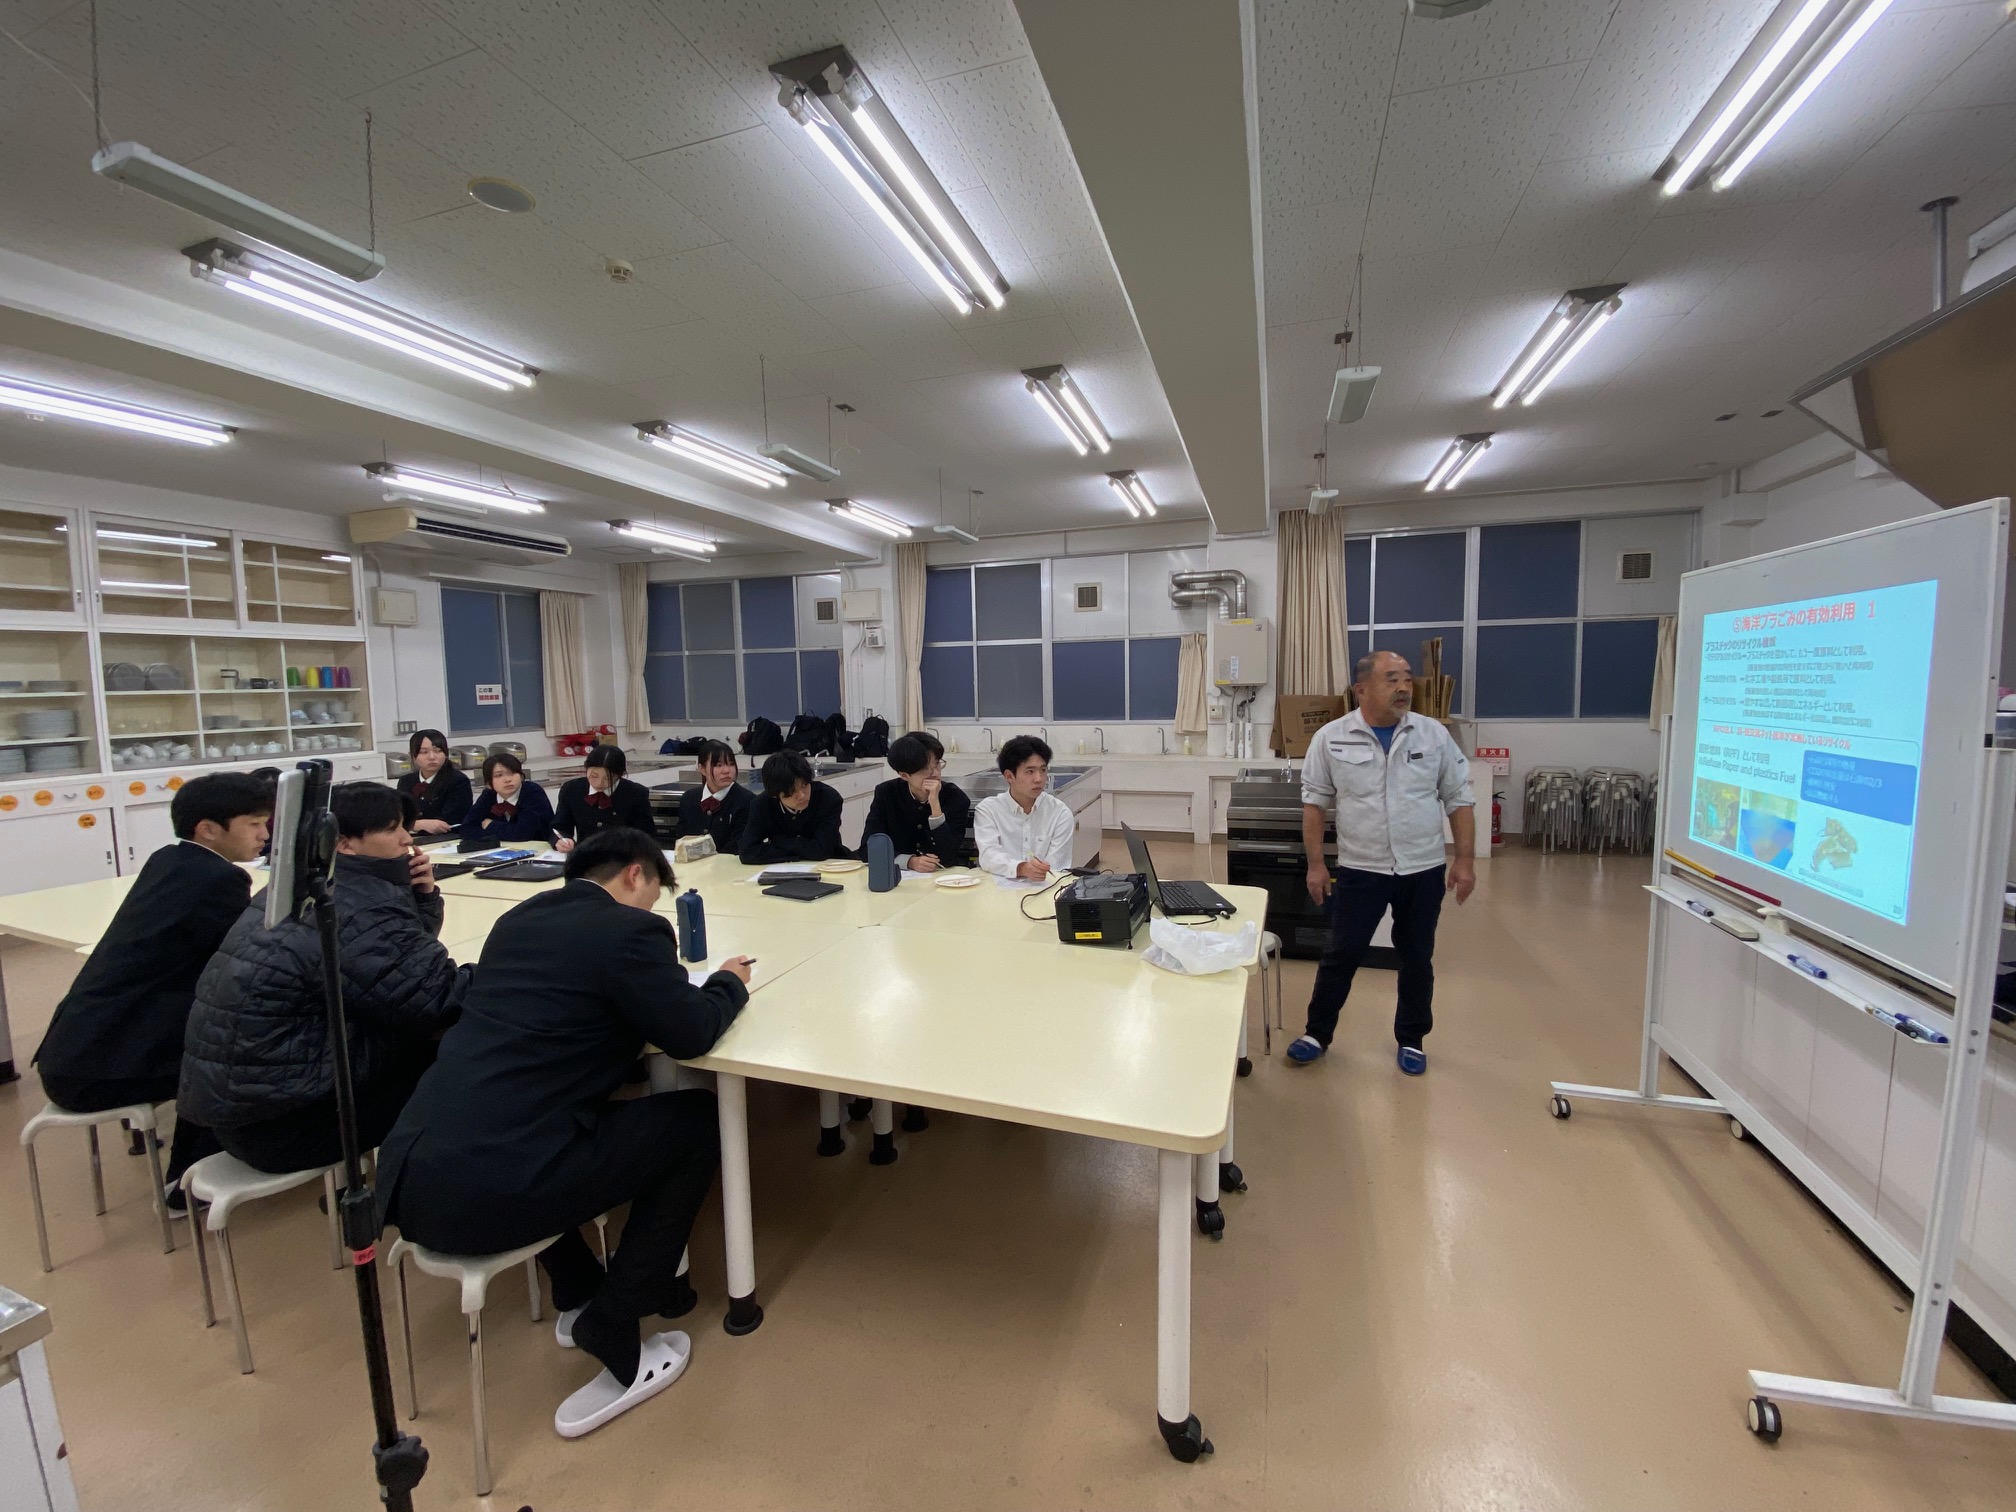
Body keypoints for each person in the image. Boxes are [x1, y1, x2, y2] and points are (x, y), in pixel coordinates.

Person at [375, 827, 753, 1438]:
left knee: (536, 1118)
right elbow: (691, 1034)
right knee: (693, 1124)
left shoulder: (517, 922)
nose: (653, 908)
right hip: (495, 1195)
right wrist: (727, 982)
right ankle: (615, 1318)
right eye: (655, 892)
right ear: (636, 873)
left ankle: (578, 1291)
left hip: (411, 1178)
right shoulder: (631, 931)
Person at [179, 785, 472, 1172]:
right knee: (471, 1057)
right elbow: (437, 999)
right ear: (345, 844)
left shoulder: (304, 885)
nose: (407, 839)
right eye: (391, 829)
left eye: (405, 826)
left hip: (249, 1111)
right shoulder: (353, 905)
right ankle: (427, 1193)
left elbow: (392, 969)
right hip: (292, 1125)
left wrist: (421, 896)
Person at [32, 772, 272, 1200]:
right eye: (254, 823)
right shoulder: (217, 881)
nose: (264, 834)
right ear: (209, 830)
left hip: (72, 1053)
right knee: (235, 1052)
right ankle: (190, 1186)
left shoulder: (172, 860)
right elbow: (249, 961)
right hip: (102, 1071)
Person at [1288, 651, 1476, 1076]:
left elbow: (1459, 799)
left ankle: (1411, 1039)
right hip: (1361, 868)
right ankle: (1317, 1032)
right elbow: (1315, 804)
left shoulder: (1432, 735)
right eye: (1391, 679)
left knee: (1416, 956)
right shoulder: (1331, 737)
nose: (1404, 687)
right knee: (1342, 952)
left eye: (1407, 679)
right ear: (1362, 689)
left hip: (1422, 868)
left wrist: (1464, 860)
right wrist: (1316, 864)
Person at [861, 731, 970, 872]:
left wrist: (935, 806)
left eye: (937, 765)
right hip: (899, 879)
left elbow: (948, 856)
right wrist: (909, 862)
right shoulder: (886, 793)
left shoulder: (955, 797)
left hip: (942, 879)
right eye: (926, 769)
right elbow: (867, 849)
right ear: (904, 775)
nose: (936, 773)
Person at [973, 735, 1074, 882]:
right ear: (1009, 776)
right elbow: (989, 855)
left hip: (1043, 890)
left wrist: (1036, 871)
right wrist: (1021, 868)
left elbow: (1057, 868)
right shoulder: (989, 810)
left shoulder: (1060, 813)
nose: (1039, 779)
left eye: (1043, 770)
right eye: (1030, 771)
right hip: (999, 892)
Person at [738, 749, 844, 864]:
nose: (802, 795)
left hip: (831, 865)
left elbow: (822, 850)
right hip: (782, 870)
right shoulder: (762, 805)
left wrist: (780, 842)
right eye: (792, 791)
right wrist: (801, 848)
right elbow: (747, 852)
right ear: (775, 794)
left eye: (805, 785)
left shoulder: (828, 798)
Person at [554, 745, 654, 851]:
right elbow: (559, 827)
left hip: (622, 857)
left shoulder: (636, 793)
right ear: (586, 769)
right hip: (584, 857)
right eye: (594, 776)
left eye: (607, 778)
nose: (599, 783)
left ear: (620, 775)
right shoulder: (571, 790)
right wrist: (562, 840)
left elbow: (647, 836)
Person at [460, 750, 555, 844]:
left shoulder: (532, 792)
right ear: (489, 783)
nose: (507, 779)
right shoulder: (488, 795)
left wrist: (491, 825)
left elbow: (523, 833)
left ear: (521, 776)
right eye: (499, 775)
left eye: (512, 773)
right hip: (504, 851)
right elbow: (466, 829)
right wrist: (503, 833)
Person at [674, 740, 751, 855]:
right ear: (702, 768)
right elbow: (681, 840)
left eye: (731, 764)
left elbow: (737, 846)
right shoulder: (689, 798)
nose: (726, 771)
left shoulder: (747, 801)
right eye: (718, 765)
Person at [397, 729, 472, 835]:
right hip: (412, 838)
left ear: (446, 754)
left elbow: (449, 822)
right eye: (424, 752)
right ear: (413, 756)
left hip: (447, 838)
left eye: (438, 751)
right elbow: (399, 817)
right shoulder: (406, 781)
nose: (432, 757)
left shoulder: (458, 781)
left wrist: (411, 825)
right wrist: (418, 824)